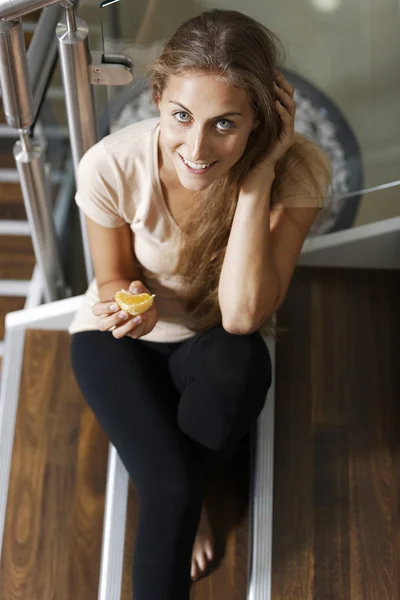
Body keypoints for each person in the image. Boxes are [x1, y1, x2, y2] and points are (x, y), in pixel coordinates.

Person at [69, 8, 332, 600]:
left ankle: (190, 483)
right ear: (158, 96)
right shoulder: (112, 164)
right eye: (181, 116)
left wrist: (258, 173)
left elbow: (243, 316)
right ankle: (191, 488)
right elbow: (112, 277)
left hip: (215, 341)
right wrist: (130, 304)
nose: (197, 146)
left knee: (239, 361)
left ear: (260, 119)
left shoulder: (298, 169)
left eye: (226, 124)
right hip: (120, 341)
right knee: (170, 489)